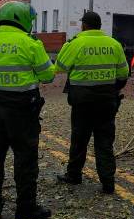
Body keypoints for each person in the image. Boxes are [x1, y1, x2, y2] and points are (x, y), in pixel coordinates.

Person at [0, 1, 55, 219]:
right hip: (22, 111)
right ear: (22, 19)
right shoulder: (30, 44)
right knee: (25, 160)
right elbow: (48, 76)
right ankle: (26, 208)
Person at [55, 11, 129, 194]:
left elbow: (59, 68)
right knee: (105, 142)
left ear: (84, 26)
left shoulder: (76, 43)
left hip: (82, 102)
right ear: (99, 25)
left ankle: (74, 175)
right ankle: (108, 183)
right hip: (106, 101)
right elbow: (123, 74)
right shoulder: (114, 44)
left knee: (79, 140)